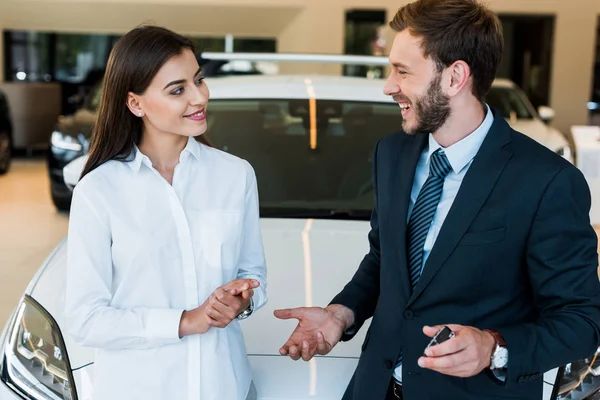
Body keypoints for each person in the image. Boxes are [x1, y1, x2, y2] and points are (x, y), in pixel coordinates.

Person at [274, 1, 600, 399]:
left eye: (402, 70)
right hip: (375, 389)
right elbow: (384, 260)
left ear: (455, 76)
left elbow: (582, 322)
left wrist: (495, 349)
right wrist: (340, 315)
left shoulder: (547, 181)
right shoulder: (391, 153)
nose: (388, 85)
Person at [65, 25, 266, 400]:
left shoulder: (235, 174)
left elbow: (252, 273)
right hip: (138, 389)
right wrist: (185, 322)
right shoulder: (99, 190)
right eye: (178, 90)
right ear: (136, 103)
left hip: (226, 387)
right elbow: (85, 318)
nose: (199, 97)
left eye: (199, 80)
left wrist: (242, 299)